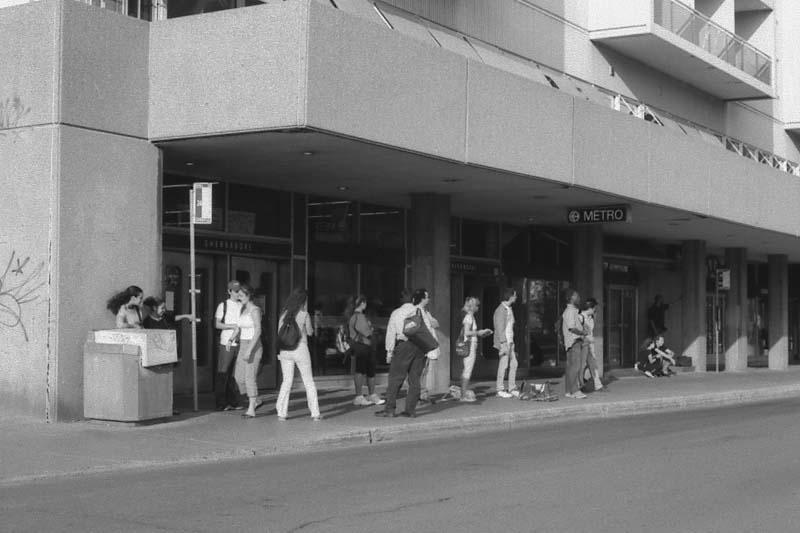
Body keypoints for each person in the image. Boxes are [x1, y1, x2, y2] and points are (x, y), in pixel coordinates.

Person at [375, 288, 429, 418]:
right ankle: (410, 410)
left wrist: (389, 351)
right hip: (419, 346)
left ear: (401, 300)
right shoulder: (419, 311)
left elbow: (391, 333)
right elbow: (428, 329)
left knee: (395, 378)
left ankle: (389, 409)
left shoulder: (396, 313)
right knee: (414, 379)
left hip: (403, 346)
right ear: (413, 299)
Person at [276, 288, 322, 421]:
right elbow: (309, 332)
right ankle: (315, 413)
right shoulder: (304, 314)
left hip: (285, 350)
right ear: (303, 301)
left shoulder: (284, 314)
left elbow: (279, 332)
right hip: (300, 349)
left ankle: (282, 413)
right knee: (308, 381)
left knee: (287, 381)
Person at [233, 284, 264, 418]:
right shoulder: (242, 309)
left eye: (241, 296)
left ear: (248, 295)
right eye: (238, 295)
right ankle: (256, 399)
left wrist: (250, 350)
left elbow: (258, 330)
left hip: (254, 345)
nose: (238, 298)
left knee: (249, 377)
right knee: (239, 377)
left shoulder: (255, 310)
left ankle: (251, 409)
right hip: (243, 345)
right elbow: (238, 327)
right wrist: (231, 339)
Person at [349, 295, 385, 407]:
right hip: (362, 346)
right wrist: (374, 332)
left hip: (365, 346)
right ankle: (359, 396)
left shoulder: (355, 316)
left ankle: (371, 394)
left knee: (370, 371)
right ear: (363, 303)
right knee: (361, 370)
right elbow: (367, 332)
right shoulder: (359, 316)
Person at [214, 281, 242, 411]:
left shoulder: (243, 305)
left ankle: (233, 400)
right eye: (235, 291)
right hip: (227, 341)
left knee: (233, 373)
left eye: (239, 291)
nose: (238, 293)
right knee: (223, 372)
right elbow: (217, 324)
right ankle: (221, 402)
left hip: (240, 341)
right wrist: (232, 326)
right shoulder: (223, 305)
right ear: (229, 291)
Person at [459, 297, 492, 402]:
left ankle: (463, 393)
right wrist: (479, 332)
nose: (478, 307)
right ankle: (463, 396)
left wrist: (482, 333)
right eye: (477, 305)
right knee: (467, 370)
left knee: (466, 369)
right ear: (472, 306)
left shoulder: (470, 317)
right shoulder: (469, 317)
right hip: (469, 346)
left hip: (471, 345)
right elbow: (467, 332)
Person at [493, 288, 519, 398]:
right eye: (515, 295)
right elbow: (499, 328)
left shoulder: (509, 309)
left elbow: (510, 325)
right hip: (504, 342)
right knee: (503, 365)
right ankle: (500, 389)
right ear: (511, 296)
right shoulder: (500, 310)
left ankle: (512, 387)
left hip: (510, 341)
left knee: (514, 364)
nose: (516, 297)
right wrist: (503, 342)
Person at [562, 288, 587, 399]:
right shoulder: (570, 311)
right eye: (577, 296)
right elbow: (572, 328)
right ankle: (575, 391)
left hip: (572, 342)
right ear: (571, 297)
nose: (579, 298)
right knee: (575, 367)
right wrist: (583, 332)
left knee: (571, 367)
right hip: (574, 341)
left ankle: (569, 391)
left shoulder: (572, 311)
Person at [580, 298, 604, 392]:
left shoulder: (591, 318)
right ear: (590, 308)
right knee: (582, 366)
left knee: (592, 364)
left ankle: (598, 385)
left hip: (590, 345)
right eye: (594, 308)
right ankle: (580, 384)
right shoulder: (580, 317)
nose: (595, 310)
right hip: (583, 345)